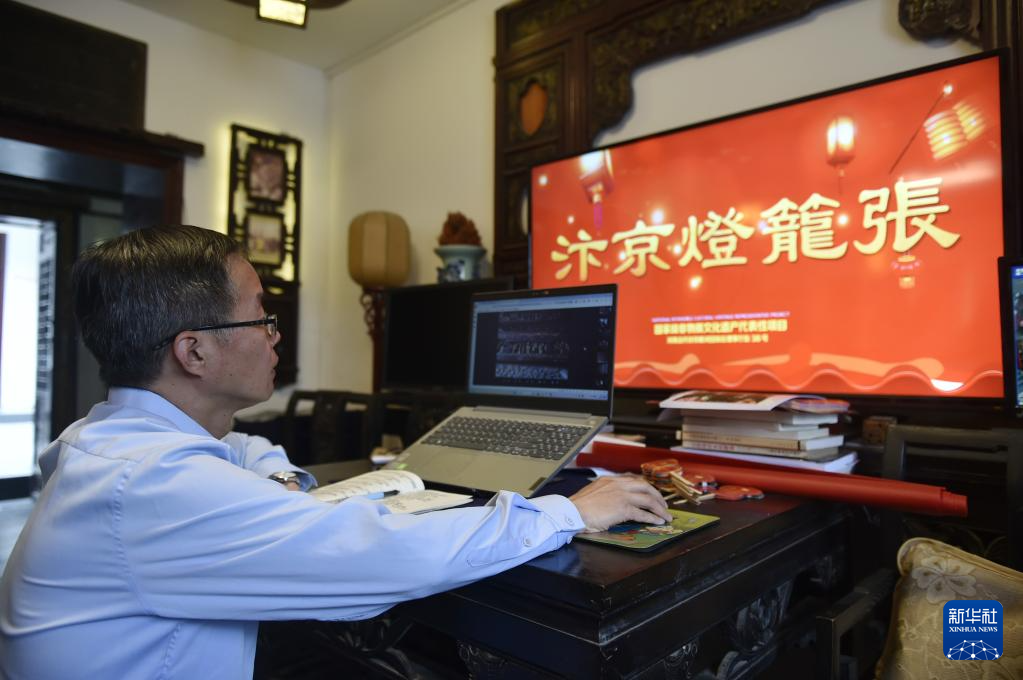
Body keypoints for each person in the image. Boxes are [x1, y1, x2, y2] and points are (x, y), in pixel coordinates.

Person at [0, 225, 670, 679]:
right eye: (260, 316)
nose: (274, 334)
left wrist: (280, 484)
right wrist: (570, 512)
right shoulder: (153, 482)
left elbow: (246, 447)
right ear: (193, 351)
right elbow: (386, 554)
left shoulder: (112, 441)